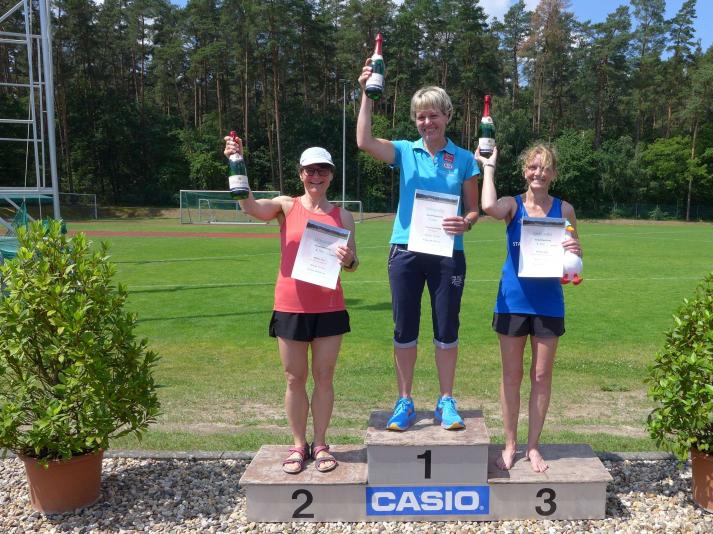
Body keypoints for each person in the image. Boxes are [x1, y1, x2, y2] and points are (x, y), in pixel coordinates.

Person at [356, 63, 480, 432]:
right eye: (421, 117)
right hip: (405, 251)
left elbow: (473, 209)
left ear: (447, 116)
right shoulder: (404, 151)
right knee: (404, 327)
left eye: (434, 115)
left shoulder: (465, 159)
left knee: (447, 328)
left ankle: (446, 400)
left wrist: (467, 222)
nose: (428, 122)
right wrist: (366, 94)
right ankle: (405, 400)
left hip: (448, 253)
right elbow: (364, 141)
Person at [224, 136, 358, 473]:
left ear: (331, 175)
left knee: (324, 377)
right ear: (300, 174)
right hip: (291, 306)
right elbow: (250, 207)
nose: (316, 176)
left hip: (329, 307)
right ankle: (299, 445)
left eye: (323, 170)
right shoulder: (286, 206)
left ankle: (321, 443)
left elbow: (353, 263)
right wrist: (236, 162)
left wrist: (349, 260)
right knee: (294, 378)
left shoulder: (343, 216)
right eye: (310, 170)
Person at [475, 144, 582, 472]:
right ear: (525, 171)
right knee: (512, 375)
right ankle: (510, 444)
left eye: (545, 167)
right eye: (533, 167)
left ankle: (533, 446)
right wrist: (488, 167)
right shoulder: (512, 205)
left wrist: (575, 253)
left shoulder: (565, 210)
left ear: (554, 173)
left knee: (541, 375)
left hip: (548, 303)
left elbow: (574, 258)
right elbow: (488, 206)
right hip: (512, 302)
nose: (539, 173)